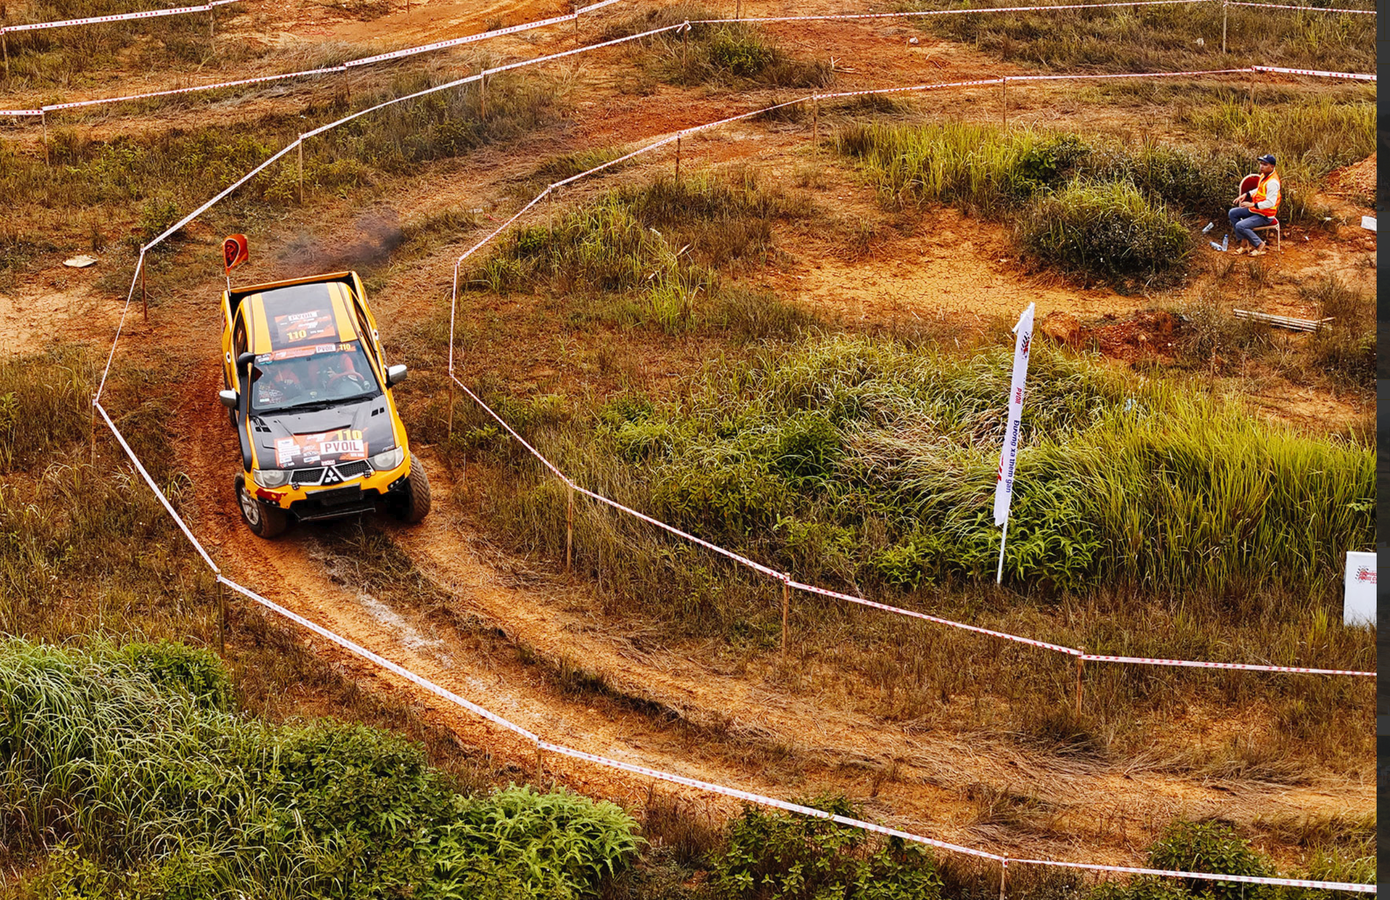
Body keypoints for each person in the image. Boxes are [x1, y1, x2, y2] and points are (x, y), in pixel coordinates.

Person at [1227, 154, 1280, 257]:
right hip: (1256, 210)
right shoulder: (1264, 176)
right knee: (1232, 213)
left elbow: (1270, 202)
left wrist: (1252, 204)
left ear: (1272, 167)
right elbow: (1259, 190)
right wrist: (1246, 194)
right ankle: (1244, 244)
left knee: (1240, 225)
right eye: (1261, 163)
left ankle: (1259, 244)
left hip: (1265, 215)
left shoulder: (1273, 182)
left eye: (1265, 164)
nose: (1261, 166)